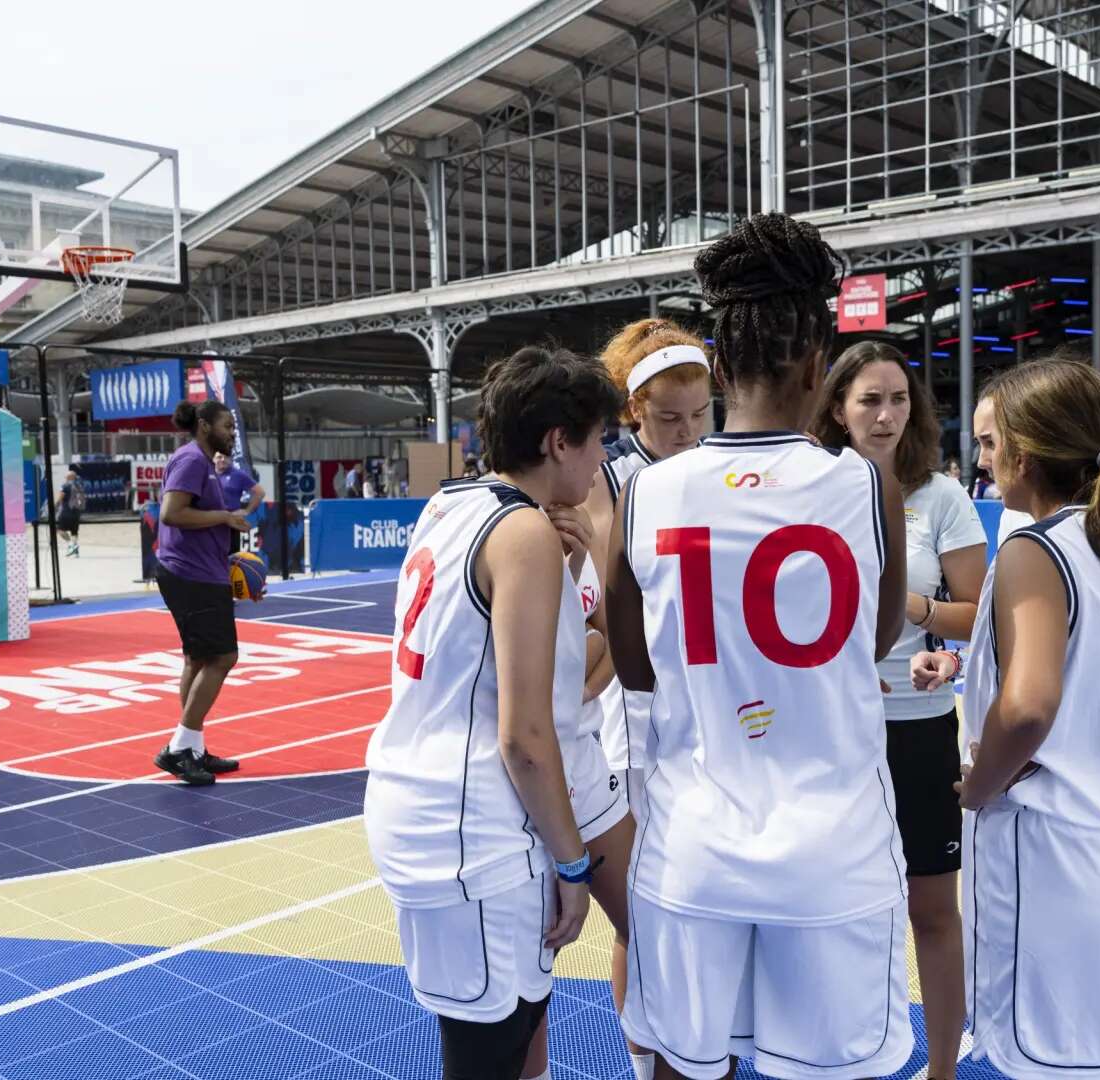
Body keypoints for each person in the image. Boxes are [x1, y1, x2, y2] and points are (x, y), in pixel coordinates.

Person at [605, 213, 912, 1080]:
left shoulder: (649, 493)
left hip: (693, 847)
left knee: (681, 1067)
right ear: (820, 364)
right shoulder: (865, 486)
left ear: (721, 364)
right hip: (833, 856)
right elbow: (875, 638)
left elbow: (634, 668)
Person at [915, 357, 1100, 1080]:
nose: (984, 459)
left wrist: (979, 786)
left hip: (1058, 842)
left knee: (1055, 1064)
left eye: (991, 443)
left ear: (1024, 454)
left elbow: (1031, 705)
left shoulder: (1037, 548)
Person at [363, 346, 621, 1080]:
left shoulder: (451, 505)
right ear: (557, 442)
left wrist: (565, 567)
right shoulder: (524, 535)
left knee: (506, 1033)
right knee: (487, 1055)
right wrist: (573, 863)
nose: (603, 458)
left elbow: (481, 649)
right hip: (473, 835)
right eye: (597, 438)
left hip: (420, 804)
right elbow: (526, 738)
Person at [811, 340, 979, 1080]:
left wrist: (904, 607)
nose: (885, 416)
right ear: (838, 410)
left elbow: (979, 617)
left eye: (898, 399)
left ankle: (942, 1069)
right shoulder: (812, 488)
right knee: (833, 915)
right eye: (869, 400)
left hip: (917, 730)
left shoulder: (942, 497)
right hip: (830, 730)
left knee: (932, 914)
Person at [575, 315, 714, 1080]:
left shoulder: (714, 472)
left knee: (697, 909)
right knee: (642, 915)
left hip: (706, 720)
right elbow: (604, 615)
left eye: (700, 416)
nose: (688, 432)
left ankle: (696, 1044)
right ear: (633, 413)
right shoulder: (612, 481)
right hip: (634, 730)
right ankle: (644, 1057)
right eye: (668, 420)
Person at [152, 400, 253, 787]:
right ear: (204, 425)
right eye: (227, 425)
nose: (232, 432)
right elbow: (172, 513)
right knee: (224, 656)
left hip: (201, 572)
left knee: (198, 658)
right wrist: (225, 517)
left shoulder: (204, 463)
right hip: (190, 575)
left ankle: (192, 746)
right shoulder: (192, 460)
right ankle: (180, 748)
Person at [56, 468, 86, 557]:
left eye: (66, 475)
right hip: (77, 512)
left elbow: (60, 498)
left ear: (69, 477)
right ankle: (75, 551)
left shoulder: (65, 486)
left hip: (66, 511)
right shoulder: (79, 486)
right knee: (74, 532)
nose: (65, 477)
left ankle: (70, 545)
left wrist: (55, 506)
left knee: (60, 530)